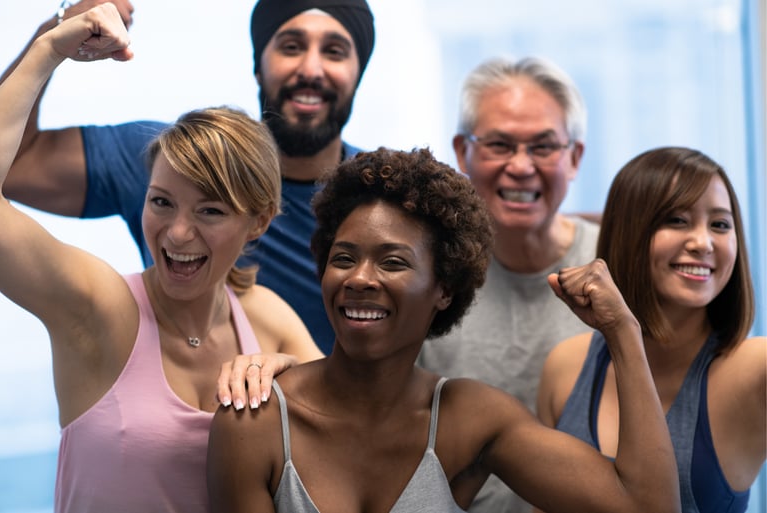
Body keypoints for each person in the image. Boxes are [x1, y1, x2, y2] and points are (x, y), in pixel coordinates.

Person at [207, 147, 682, 513]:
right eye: (343, 258)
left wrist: (623, 331)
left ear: (444, 290)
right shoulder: (257, 418)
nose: (359, 278)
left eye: (392, 262)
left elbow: (644, 505)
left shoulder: (468, 418)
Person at [0, 6, 323, 512]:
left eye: (210, 210)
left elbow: (355, 432)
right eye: (161, 202)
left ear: (258, 221)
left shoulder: (268, 321)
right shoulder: (97, 306)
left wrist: (293, 374)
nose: (176, 232)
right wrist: (48, 49)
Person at [1, 0, 376, 355]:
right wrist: (55, 36)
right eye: (291, 47)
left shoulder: (380, 202)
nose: (310, 69)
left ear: (261, 219)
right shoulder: (169, 160)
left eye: (334, 51)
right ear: (258, 64)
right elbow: (14, 163)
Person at [536, 147, 766, 513]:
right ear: (629, 233)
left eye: (720, 225)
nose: (703, 242)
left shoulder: (755, 366)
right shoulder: (566, 363)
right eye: (676, 220)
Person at [416, 56, 599, 512]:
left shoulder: (618, 269)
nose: (520, 167)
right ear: (462, 152)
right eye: (499, 144)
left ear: (574, 157)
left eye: (543, 147)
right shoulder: (425, 277)